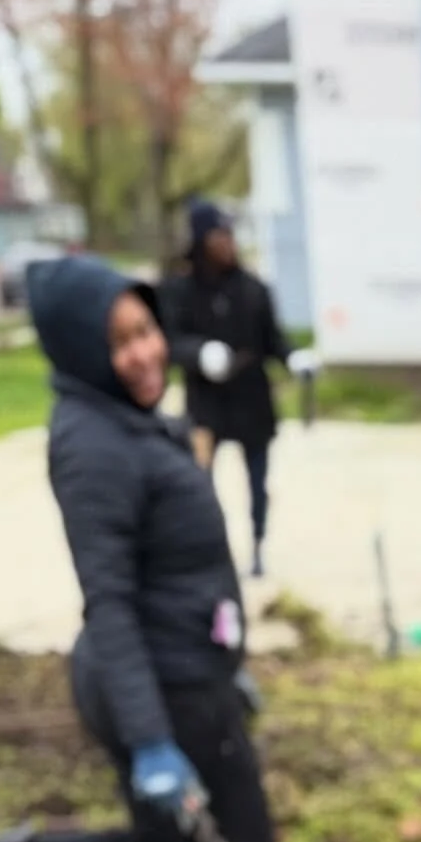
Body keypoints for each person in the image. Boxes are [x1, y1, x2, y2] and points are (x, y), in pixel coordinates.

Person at [0, 254, 275, 842]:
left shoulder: (126, 418)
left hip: (184, 667)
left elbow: (175, 570)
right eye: (120, 342)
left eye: (145, 329)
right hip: (159, 684)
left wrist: (224, 654)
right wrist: (152, 742)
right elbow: (109, 603)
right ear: (85, 351)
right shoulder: (94, 448)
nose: (144, 353)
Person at [162, 202, 317, 578]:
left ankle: (259, 546)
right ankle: (209, 549)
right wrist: (199, 353)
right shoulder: (179, 290)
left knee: (258, 482)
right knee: (199, 483)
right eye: (219, 236)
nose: (227, 243)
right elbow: (170, 340)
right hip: (206, 404)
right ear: (201, 241)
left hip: (252, 401)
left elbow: (272, 339)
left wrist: (294, 357)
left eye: (230, 235)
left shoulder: (253, 289)